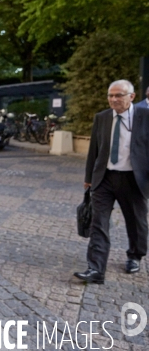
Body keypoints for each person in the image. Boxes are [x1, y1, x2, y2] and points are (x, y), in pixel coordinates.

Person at [74, 80, 149, 284]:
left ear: (131, 97)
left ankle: (135, 255)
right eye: (110, 95)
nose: (114, 99)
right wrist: (89, 178)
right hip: (104, 178)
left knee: (136, 222)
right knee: (99, 223)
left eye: (119, 95)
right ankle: (95, 269)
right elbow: (94, 151)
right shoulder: (102, 117)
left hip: (134, 179)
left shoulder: (144, 117)